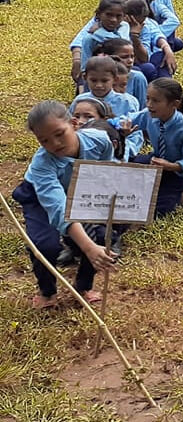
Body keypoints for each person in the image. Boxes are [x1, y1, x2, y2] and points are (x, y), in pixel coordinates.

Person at [14, 101, 118, 309]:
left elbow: (106, 170)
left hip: (80, 191)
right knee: (43, 245)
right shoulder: (43, 165)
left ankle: (84, 285)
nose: (55, 143)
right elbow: (58, 208)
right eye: (44, 141)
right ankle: (47, 291)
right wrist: (87, 247)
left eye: (60, 134)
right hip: (40, 198)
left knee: (99, 235)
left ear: (74, 123)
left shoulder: (100, 140)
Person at [124, 78, 183, 217]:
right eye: (147, 99)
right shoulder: (149, 115)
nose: (149, 104)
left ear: (174, 104)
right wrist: (121, 127)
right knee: (123, 168)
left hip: (176, 174)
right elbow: (128, 119)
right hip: (156, 161)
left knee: (157, 210)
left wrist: (171, 166)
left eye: (155, 101)